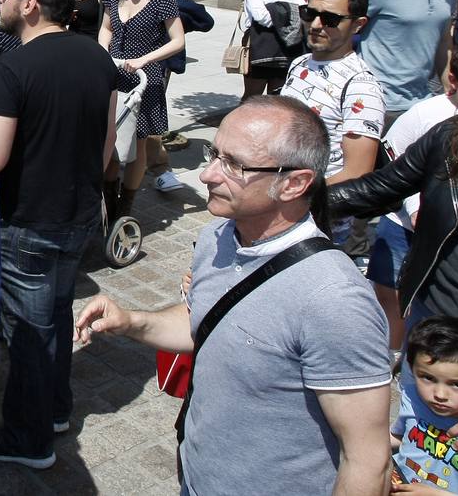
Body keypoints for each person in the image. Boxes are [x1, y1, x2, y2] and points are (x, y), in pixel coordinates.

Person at [75, 96, 392, 496]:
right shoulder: (218, 236)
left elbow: (367, 461)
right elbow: (203, 321)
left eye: (234, 165)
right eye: (214, 153)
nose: (207, 174)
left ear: (294, 183)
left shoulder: (335, 300)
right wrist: (132, 322)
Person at [0, 0, 118, 470]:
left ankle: (29, 438)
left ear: (30, 3)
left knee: (29, 335)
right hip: (80, 213)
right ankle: (55, 409)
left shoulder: (13, 69)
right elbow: (106, 148)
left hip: (29, 222)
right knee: (55, 314)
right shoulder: (97, 58)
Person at [374, 36, 458, 353]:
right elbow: (392, 166)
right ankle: (393, 353)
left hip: (446, 240)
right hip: (402, 228)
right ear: (453, 80)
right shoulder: (427, 116)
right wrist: (413, 207)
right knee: (392, 298)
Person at [281, 0, 385, 267]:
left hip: (316, 226)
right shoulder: (299, 63)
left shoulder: (361, 85)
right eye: (310, 13)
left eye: (330, 19)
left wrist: (292, 197)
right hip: (276, 207)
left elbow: (357, 172)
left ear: (358, 24)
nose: (315, 25)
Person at [98, 0, 185, 204]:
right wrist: (103, 53)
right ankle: (109, 198)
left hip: (144, 81)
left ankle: (126, 204)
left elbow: (178, 41)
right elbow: (106, 28)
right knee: (111, 140)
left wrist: (142, 60)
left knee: (137, 144)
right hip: (115, 75)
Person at [391, 316, 458, 492]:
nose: (439, 394)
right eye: (428, 378)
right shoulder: (412, 399)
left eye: (457, 384)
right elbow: (399, 436)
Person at [240, 0, 306, 99]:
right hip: (260, 48)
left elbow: (303, 11)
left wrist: (276, 10)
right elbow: (262, 17)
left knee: (277, 98)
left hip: (285, 49)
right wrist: (289, 12)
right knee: (252, 97)